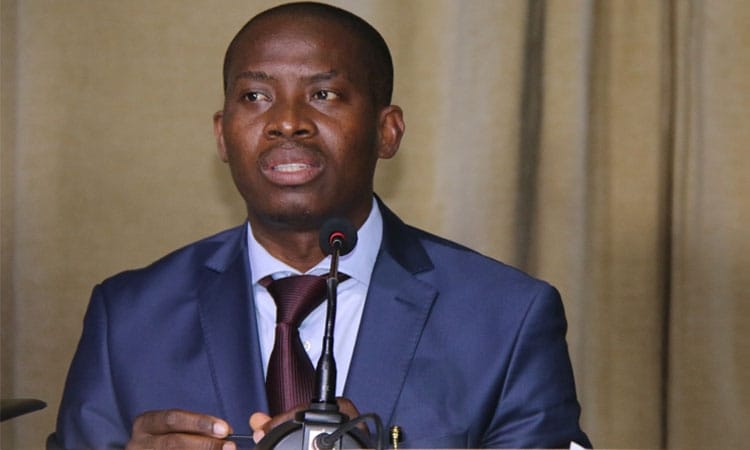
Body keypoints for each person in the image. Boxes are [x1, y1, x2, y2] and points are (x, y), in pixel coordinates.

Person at [54, 2, 591, 449]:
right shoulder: (128, 318)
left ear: (387, 131)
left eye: (323, 94)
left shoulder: (505, 319)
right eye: (255, 97)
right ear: (222, 135)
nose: (287, 122)